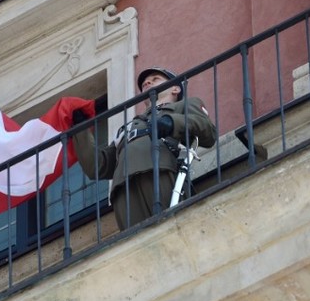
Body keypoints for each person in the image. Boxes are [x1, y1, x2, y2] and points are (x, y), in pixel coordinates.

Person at [72, 67, 216, 231]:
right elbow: (97, 167)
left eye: (155, 79)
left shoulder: (185, 105)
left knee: (173, 230)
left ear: (175, 88)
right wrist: (80, 130)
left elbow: (209, 133)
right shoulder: (129, 126)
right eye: (145, 83)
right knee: (136, 244)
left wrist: (172, 122)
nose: (147, 82)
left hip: (159, 171)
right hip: (123, 187)